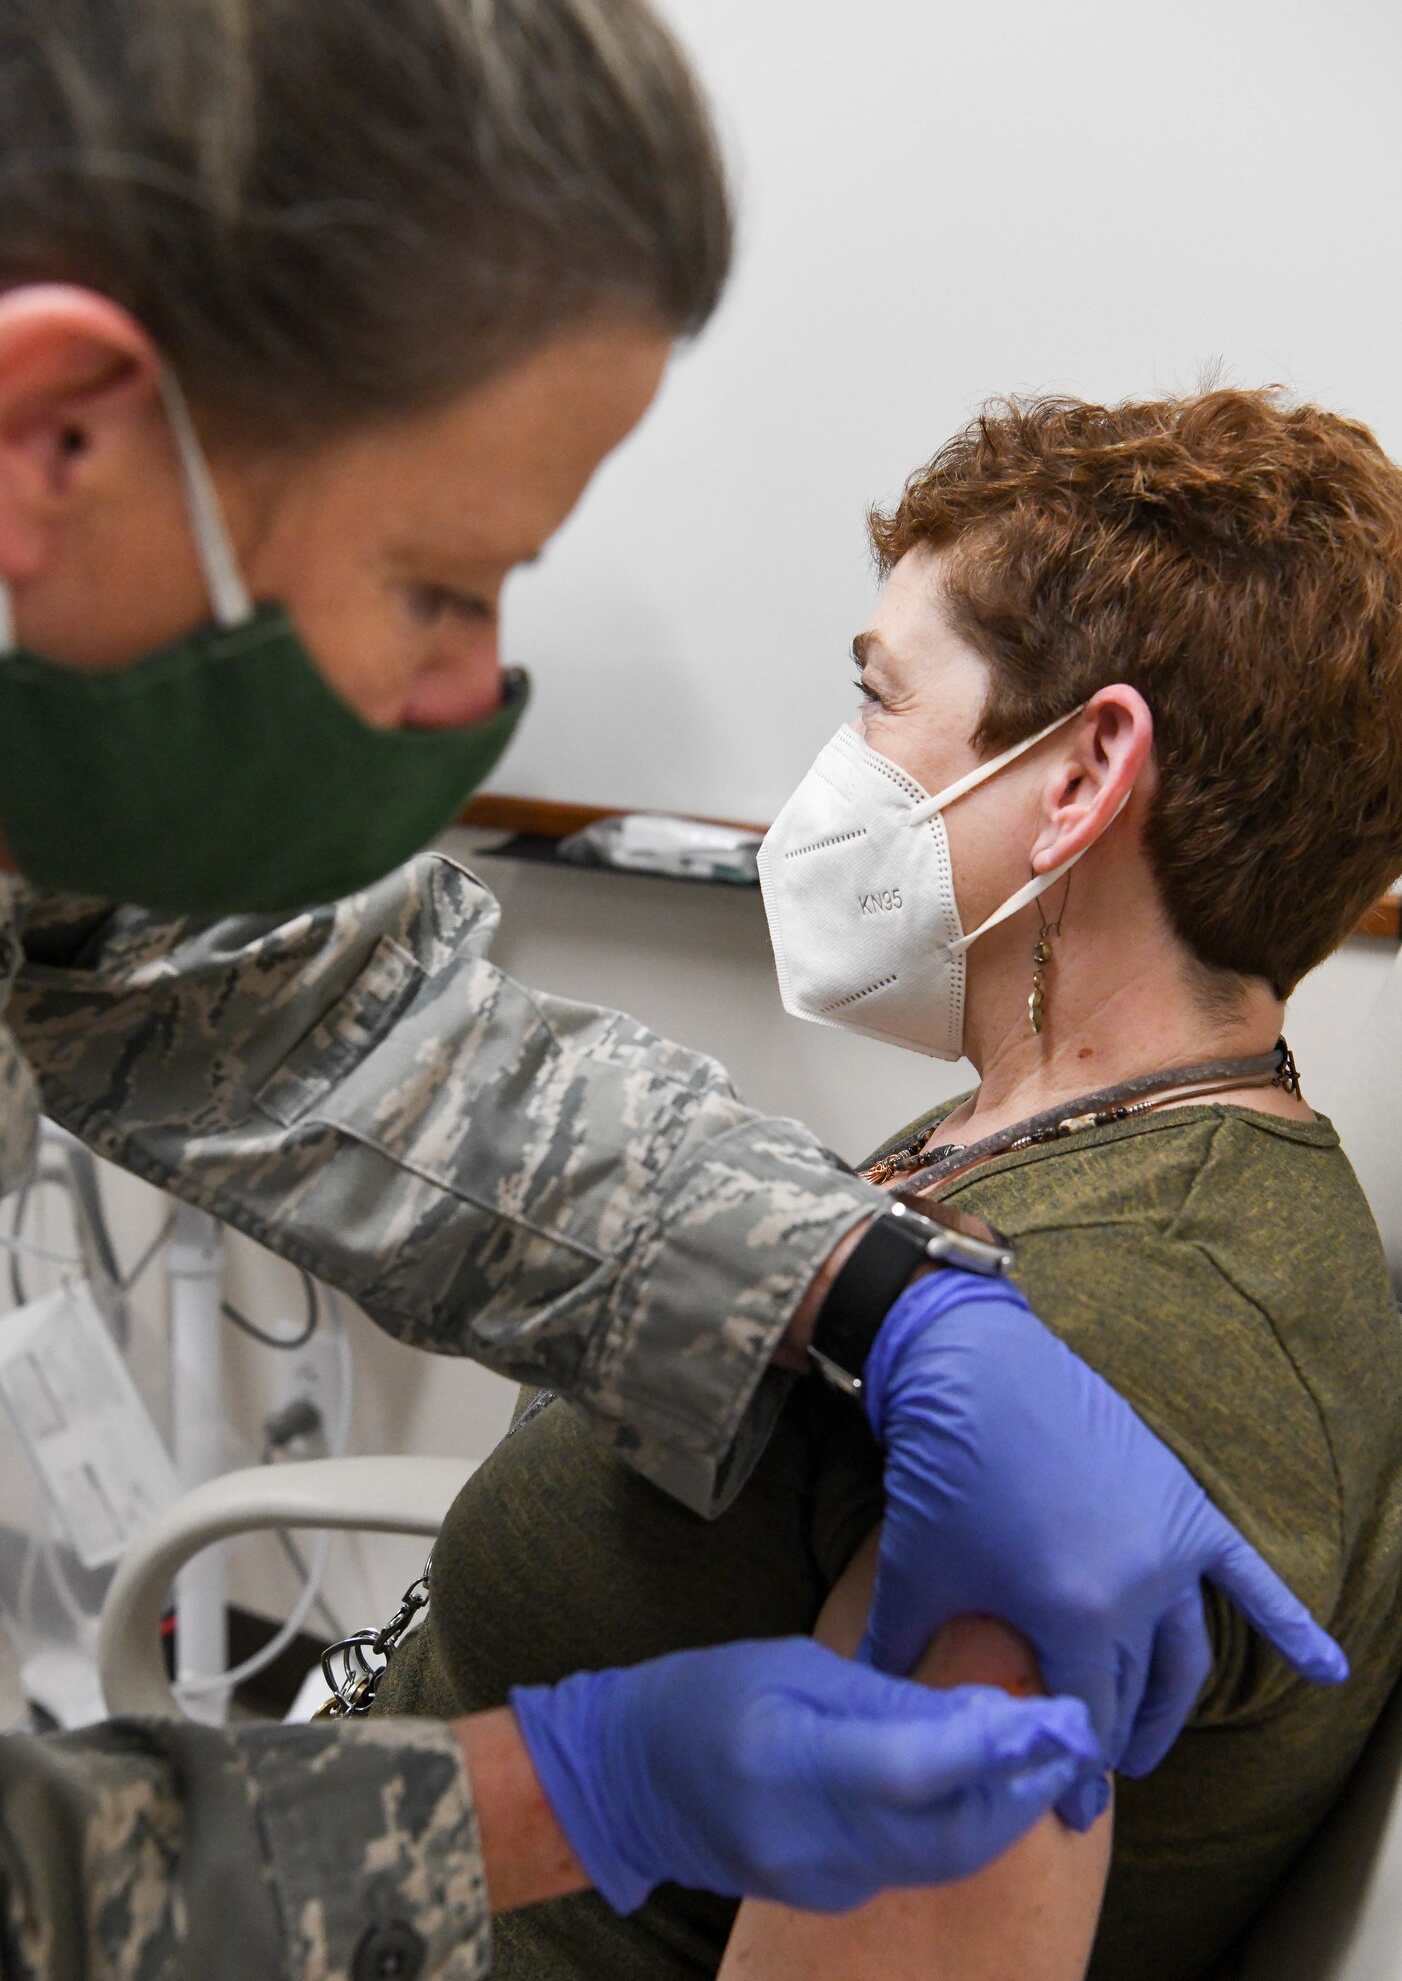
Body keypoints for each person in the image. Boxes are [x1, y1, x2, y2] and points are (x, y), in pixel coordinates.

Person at [0, 0, 1345, 1974]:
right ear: (64, 429)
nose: (469, 695)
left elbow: (322, 1022)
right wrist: (570, 1795)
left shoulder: (1135, 1314)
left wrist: (868, 1294)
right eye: (434, 578)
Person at [370, 388, 1402, 1981]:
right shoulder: (1037, 1131)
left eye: (877, 697)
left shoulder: (1114, 1351)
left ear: (1076, 780)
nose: (836, 765)